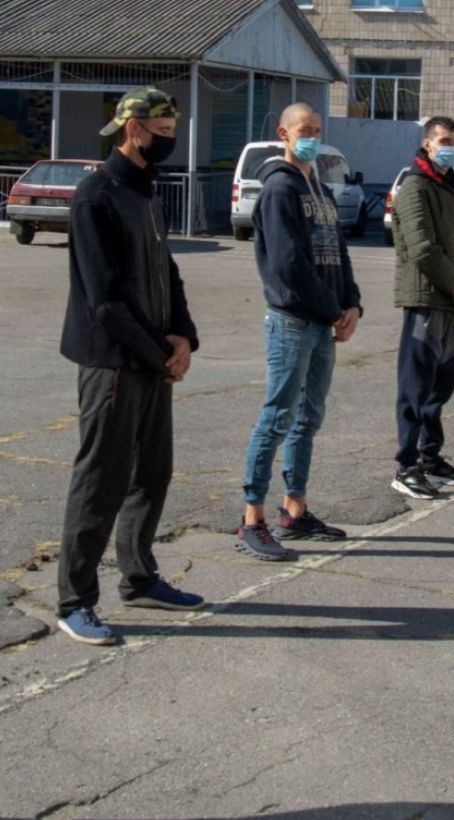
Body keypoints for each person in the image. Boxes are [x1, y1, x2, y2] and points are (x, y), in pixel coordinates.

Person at [54, 87, 204, 645]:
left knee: (152, 473)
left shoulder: (143, 193)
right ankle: (74, 600)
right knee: (101, 479)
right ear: (132, 129)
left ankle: (139, 577)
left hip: (153, 360)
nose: (169, 141)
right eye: (162, 132)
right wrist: (159, 352)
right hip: (114, 362)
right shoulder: (97, 194)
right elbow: (105, 300)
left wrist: (184, 336)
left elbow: (168, 274)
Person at [237, 102, 363, 561]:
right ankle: (252, 517)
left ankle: (296, 507)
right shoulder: (279, 189)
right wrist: (332, 311)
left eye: (317, 129)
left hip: (325, 320)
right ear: (283, 134)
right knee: (277, 418)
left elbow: (339, 253)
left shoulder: (320, 189)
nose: (311, 136)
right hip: (293, 321)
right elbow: (289, 264)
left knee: (309, 419)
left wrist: (352, 304)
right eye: (303, 130)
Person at [391, 116, 454, 500]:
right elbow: (423, 247)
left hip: (452, 298)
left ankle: (431, 457)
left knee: (440, 385)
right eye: (445, 139)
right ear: (428, 143)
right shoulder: (414, 185)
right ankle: (406, 465)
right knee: (415, 387)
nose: (451, 145)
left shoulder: (452, 183)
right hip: (427, 297)